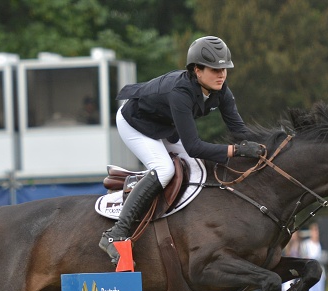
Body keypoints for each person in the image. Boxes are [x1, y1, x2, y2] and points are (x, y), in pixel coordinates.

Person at [99, 36, 263, 262]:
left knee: (198, 168)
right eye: (215, 69)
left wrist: (266, 147)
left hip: (164, 125)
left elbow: (240, 131)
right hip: (135, 122)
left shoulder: (222, 91)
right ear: (197, 70)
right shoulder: (180, 92)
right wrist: (235, 151)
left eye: (224, 69)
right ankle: (116, 233)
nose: (222, 75)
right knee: (164, 169)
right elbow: (194, 146)